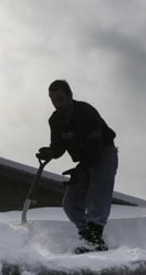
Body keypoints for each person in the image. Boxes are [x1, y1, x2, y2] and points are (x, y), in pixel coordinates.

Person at [37, 80, 118, 254]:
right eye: (53, 101)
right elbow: (58, 146)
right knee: (70, 202)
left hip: (103, 152)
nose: (57, 104)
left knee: (97, 191)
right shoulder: (55, 120)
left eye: (60, 99)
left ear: (70, 96)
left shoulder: (86, 112)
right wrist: (50, 152)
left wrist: (81, 169)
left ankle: (95, 235)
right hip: (84, 161)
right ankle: (88, 235)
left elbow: (95, 147)